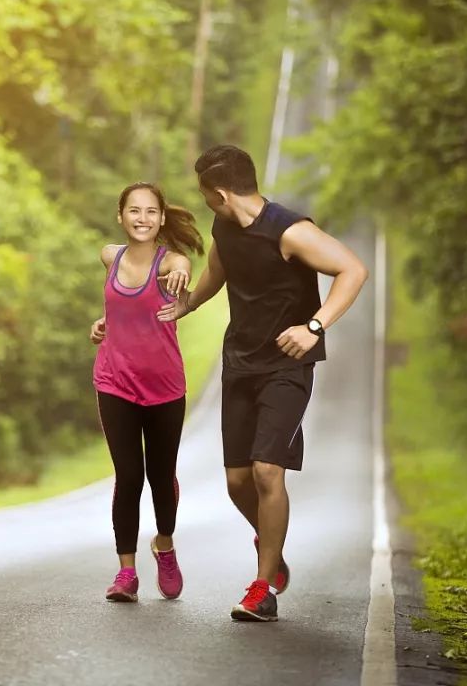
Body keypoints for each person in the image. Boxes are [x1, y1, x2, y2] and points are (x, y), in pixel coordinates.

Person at [157, 144, 368, 621]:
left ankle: (262, 587)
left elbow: (353, 269)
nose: (206, 201)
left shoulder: (291, 231)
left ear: (221, 192)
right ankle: (269, 541)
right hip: (240, 362)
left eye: (206, 194)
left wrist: (314, 326)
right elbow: (218, 269)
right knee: (236, 482)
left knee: (267, 472)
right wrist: (189, 303)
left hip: (286, 368)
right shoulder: (225, 225)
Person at [89, 181, 204, 603]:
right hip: (114, 382)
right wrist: (103, 324)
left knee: (160, 476)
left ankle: (165, 545)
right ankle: (126, 573)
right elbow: (117, 305)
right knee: (129, 476)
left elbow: (183, 267)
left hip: (164, 387)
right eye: (133, 211)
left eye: (150, 212)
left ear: (161, 218)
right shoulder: (109, 256)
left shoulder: (170, 262)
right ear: (120, 215)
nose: (142, 218)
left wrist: (181, 274)